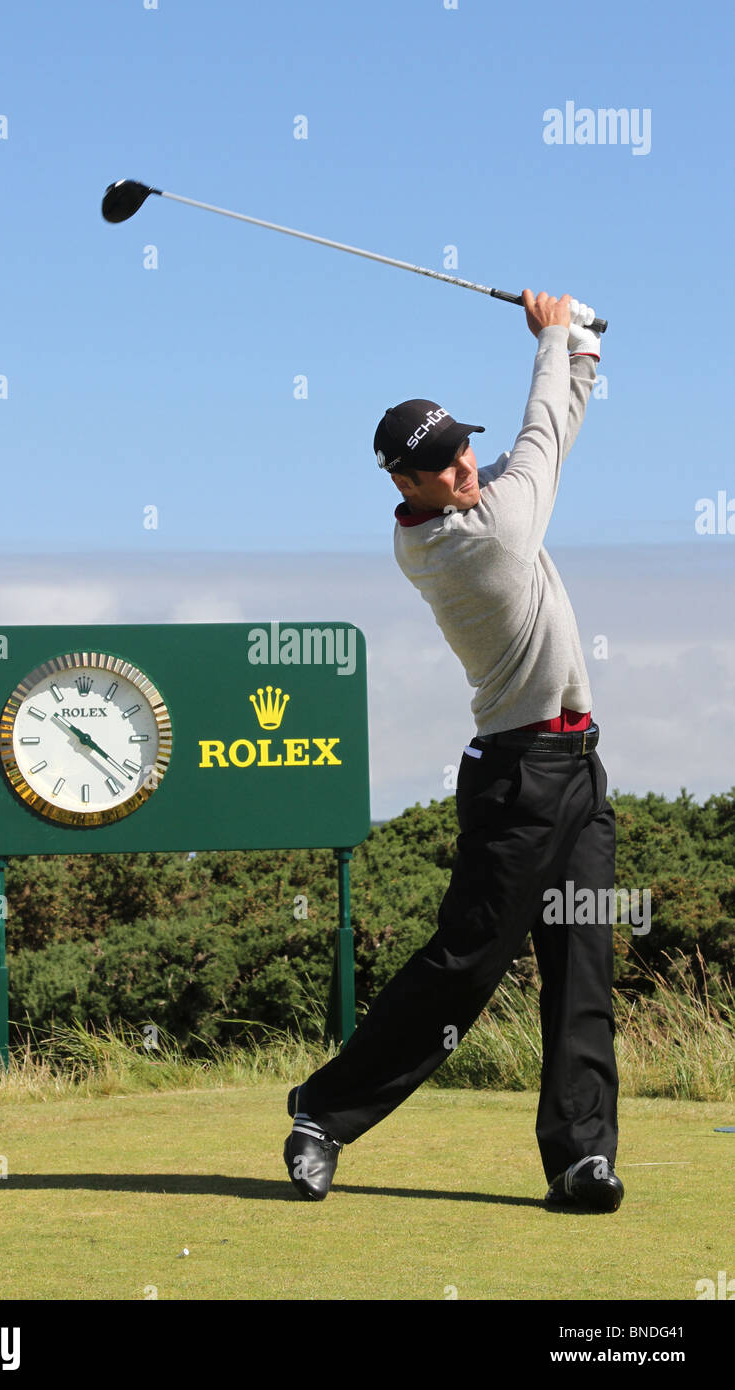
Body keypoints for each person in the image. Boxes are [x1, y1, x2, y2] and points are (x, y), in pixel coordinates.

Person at [283, 290, 624, 1213]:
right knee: (467, 968)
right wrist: (555, 334)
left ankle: (580, 1157)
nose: (466, 466)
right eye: (442, 464)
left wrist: (581, 353)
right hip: (518, 780)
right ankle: (322, 1111)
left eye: (463, 448)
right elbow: (543, 438)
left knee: (582, 960)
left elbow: (544, 437)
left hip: (578, 770)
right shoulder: (479, 542)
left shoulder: (479, 502)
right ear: (408, 485)